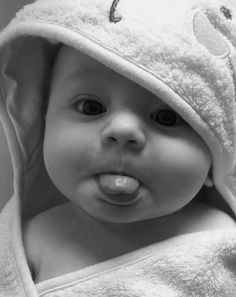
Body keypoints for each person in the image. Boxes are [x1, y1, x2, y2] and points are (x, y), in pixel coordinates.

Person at [0, 0, 236, 296]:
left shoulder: (221, 239)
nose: (123, 131)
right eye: (91, 107)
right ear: (42, 122)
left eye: (166, 117)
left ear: (217, 151)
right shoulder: (30, 239)